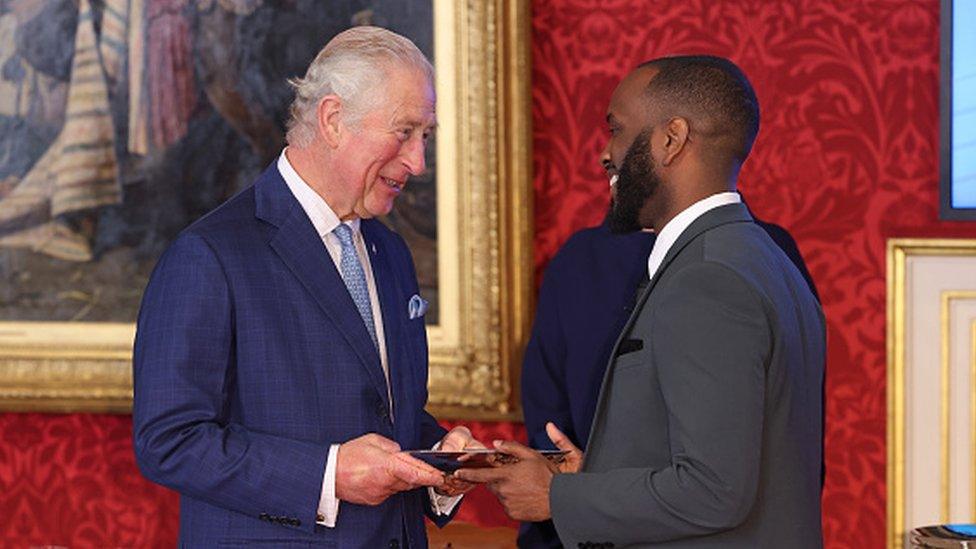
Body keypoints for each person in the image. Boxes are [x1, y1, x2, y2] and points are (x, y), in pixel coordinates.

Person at [132, 27, 480, 547]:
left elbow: (380, 412)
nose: (418, 162)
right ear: (333, 119)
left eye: (425, 136)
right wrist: (329, 474)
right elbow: (169, 442)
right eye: (404, 132)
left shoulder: (391, 255)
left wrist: (441, 458)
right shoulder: (209, 255)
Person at [460, 55, 826, 548]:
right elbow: (734, 462)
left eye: (617, 129)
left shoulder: (707, 278)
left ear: (671, 139)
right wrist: (595, 478)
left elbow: (715, 490)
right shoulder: (760, 256)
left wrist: (560, 496)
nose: (605, 153)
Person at [518, 207, 819, 547]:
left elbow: (785, 445)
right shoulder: (579, 262)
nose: (604, 154)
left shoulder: (750, 257)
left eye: (622, 148)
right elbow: (548, 416)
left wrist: (576, 495)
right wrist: (567, 489)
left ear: (673, 149)